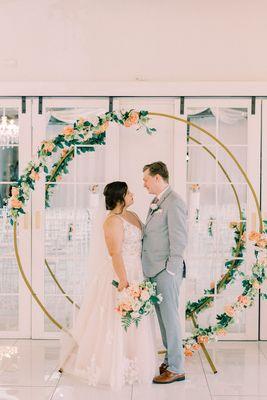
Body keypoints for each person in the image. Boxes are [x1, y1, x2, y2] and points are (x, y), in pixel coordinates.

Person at [58, 181, 156, 390]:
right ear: (120, 197)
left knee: (135, 321)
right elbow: (115, 253)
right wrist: (123, 281)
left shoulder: (133, 216)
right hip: (122, 273)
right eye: (128, 192)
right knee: (116, 320)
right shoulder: (112, 221)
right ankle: (113, 364)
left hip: (138, 271)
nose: (132, 194)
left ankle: (133, 360)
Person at [142, 161, 187, 384]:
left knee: (171, 319)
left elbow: (179, 240)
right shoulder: (155, 201)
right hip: (154, 268)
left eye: (146, 179)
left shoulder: (175, 202)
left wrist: (170, 270)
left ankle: (177, 367)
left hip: (166, 271)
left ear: (158, 178)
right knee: (163, 320)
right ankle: (170, 360)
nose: (144, 184)